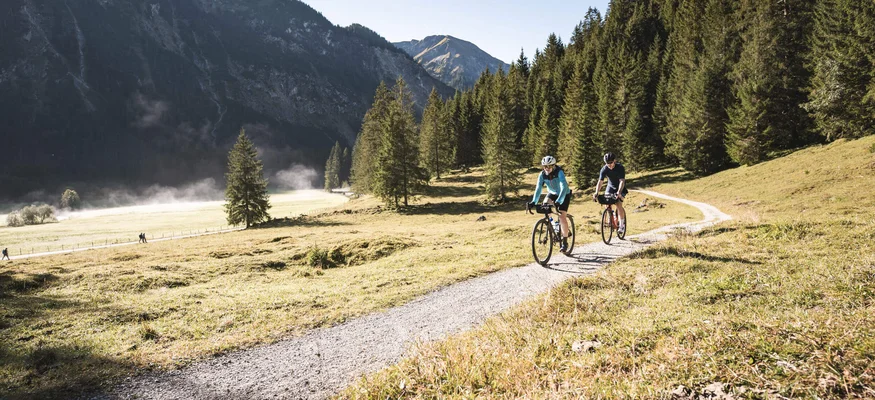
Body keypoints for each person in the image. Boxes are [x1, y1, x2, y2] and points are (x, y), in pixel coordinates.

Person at [532, 155, 573, 253]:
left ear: (554, 166)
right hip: (553, 193)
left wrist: (559, 200)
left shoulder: (559, 172)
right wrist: (533, 201)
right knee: (545, 205)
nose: (547, 168)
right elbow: (538, 189)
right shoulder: (542, 175)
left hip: (564, 194)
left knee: (562, 216)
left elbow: (563, 187)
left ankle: (565, 243)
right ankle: (555, 226)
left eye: (549, 166)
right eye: (545, 166)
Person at [592, 152, 628, 235]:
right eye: (607, 163)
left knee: (618, 204)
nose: (609, 165)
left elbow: (622, 181)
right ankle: (611, 219)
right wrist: (596, 192)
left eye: (611, 163)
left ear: (614, 161)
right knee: (606, 202)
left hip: (620, 187)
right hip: (610, 187)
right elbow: (600, 182)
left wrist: (619, 192)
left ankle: (621, 225)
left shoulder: (620, 167)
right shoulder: (604, 169)